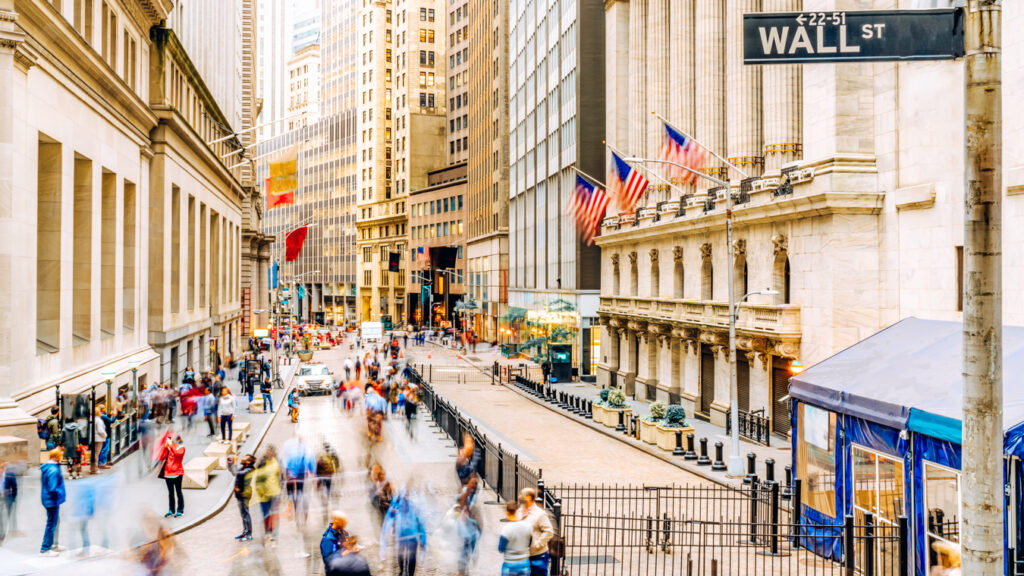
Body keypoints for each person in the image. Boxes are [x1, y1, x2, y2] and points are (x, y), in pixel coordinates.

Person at [379, 491, 427, 576]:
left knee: (411, 558)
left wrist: (422, 539)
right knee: (400, 555)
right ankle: (401, 570)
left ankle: (410, 573)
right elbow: (392, 516)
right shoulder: (398, 505)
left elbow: (420, 522)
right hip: (401, 536)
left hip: (412, 537)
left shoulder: (414, 506)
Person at [519, 488, 554, 576]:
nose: (519, 497)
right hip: (523, 554)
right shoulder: (520, 511)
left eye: (522, 495)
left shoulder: (540, 514)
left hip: (538, 555)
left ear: (529, 498)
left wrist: (537, 545)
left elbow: (549, 531)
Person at [39, 448, 66, 556]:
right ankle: (45, 548)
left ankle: (54, 544)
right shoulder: (53, 470)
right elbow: (52, 487)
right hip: (52, 500)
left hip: (48, 499)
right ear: (57, 456)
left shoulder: (48, 467)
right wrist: (61, 493)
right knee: (51, 523)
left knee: (55, 521)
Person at [254, 445, 282, 545]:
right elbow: (257, 478)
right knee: (266, 514)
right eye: (267, 451)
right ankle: (268, 532)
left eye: (270, 451)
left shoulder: (277, 462)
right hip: (264, 494)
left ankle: (273, 534)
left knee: (274, 515)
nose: (268, 453)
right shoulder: (262, 463)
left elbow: (280, 477)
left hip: (275, 493)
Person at [498, 501, 532, 576]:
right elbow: (529, 543)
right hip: (524, 562)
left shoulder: (506, 529)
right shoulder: (528, 526)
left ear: (507, 512)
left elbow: (501, 548)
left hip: (510, 563)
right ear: (517, 511)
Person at [158, 433, 186, 518]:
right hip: (168, 474)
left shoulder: (182, 448)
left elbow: (177, 453)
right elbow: (161, 457)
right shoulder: (170, 448)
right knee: (170, 493)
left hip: (177, 473)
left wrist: (170, 446)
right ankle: (171, 510)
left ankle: (180, 510)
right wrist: (165, 447)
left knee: (178, 492)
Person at [231, 454, 256, 541]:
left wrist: (235, 462)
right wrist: (230, 462)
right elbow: (233, 472)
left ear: (248, 462)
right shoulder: (244, 468)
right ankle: (245, 531)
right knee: (243, 514)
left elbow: (236, 473)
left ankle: (248, 534)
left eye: (244, 458)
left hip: (244, 494)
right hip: (241, 494)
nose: (242, 459)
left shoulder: (249, 470)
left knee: (245, 514)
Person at [90, 407, 107, 475]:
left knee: (93, 454)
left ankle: (92, 467)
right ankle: (95, 469)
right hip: (98, 439)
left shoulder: (91, 419)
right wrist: (105, 435)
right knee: (96, 454)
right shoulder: (98, 420)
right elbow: (100, 430)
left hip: (93, 438)